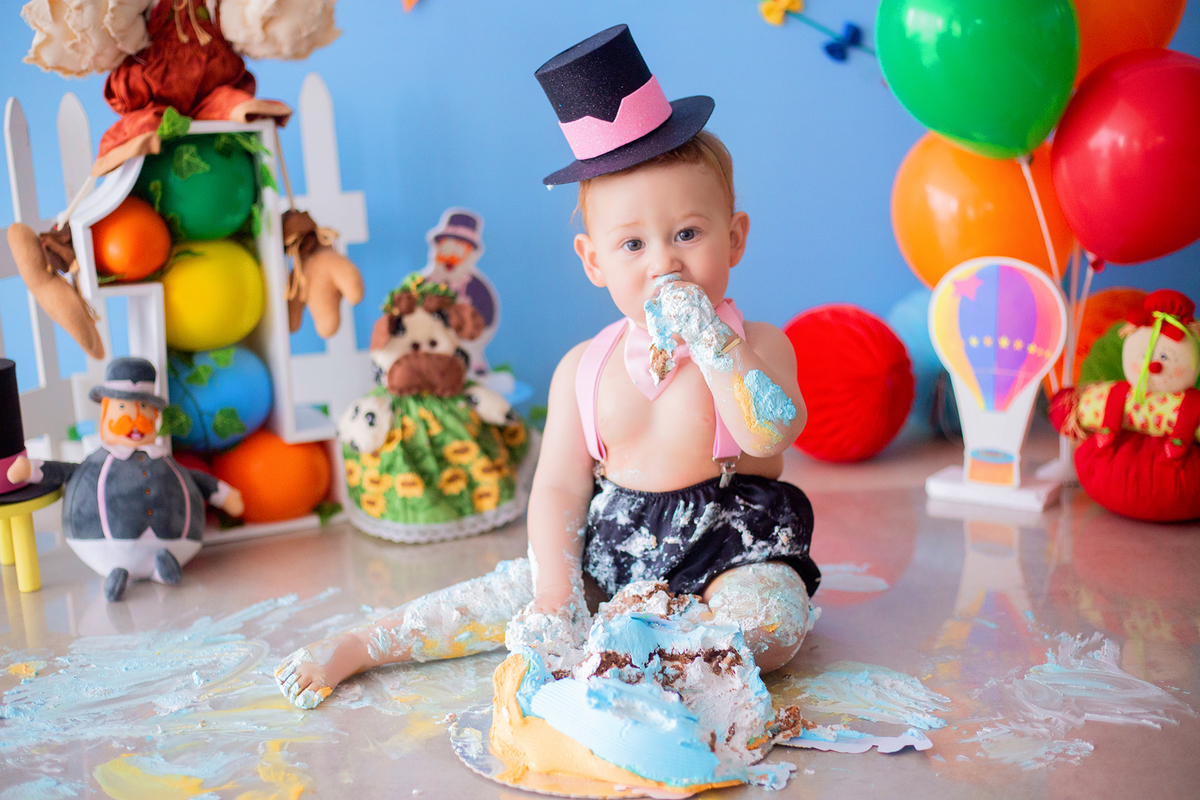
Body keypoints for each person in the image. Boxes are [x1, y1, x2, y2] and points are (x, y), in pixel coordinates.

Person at [276, 24, 819, 710]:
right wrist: (556, 592)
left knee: (771, 625)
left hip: (728, 546)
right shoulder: (583, 371)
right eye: (632, 243)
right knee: (516, 594)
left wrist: (712, 342)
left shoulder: (758, 344)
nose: (665, 261)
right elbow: (560, 489)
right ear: (594, 262)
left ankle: (658, 653)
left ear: (733, 238)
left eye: (688, 233)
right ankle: (364, 642)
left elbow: (769, 433)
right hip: (615, 546)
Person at [6, 357, 245, 601]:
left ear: (155, 418)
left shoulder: (166, 461)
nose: (134, 419)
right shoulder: (96, 463)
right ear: (105, 415)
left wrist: (222, 493)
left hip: (174, 539)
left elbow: (193, 478)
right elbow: (68, 471)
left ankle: (161, 569)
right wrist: (32, 469)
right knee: (115, 559)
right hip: (103, 543)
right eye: (122, 408)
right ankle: (117, 571)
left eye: (143, 408)